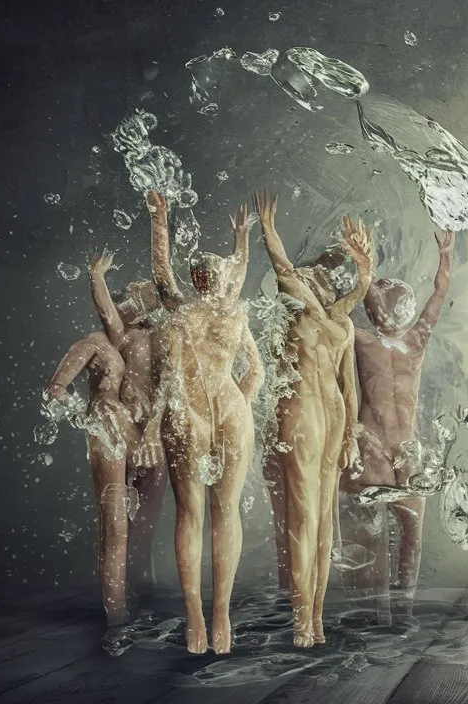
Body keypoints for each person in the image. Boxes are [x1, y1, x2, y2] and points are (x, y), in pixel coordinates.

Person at [143, 189, 264, 654]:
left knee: (208, 513)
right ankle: (204, 615)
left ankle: (212, 615)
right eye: (205, 270)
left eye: (210, 269)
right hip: (209, 411)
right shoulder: (212, 310)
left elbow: (255, 370)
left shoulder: (214, 311)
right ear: (201, 278)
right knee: (204, 513)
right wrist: (162, 216)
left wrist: (163, 218)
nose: (208, 274)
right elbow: (161, 272)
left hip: (209, 411)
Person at [253, 189, 375, 648]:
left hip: (333, 417)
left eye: (320, 275)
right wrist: (268, 231)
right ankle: (302, 619)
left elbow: (350, 384)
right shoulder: (299, 308)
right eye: (309, 275)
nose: (314, 277)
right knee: (303, 519)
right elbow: (284, 269)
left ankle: (317, 618)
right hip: (300, 412)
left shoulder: (339, 319)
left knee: (325, 522)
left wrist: (353, 437)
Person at [339, 229, 454, 625]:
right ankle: (403, 614)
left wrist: (362, 264)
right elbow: (439, 295)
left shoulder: (363, 341)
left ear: (373, 313)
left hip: (371, 449)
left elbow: (349, 304)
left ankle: (380, 615)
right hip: (408, 453)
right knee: (411, 541)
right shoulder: (416, 341)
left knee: (373, 545)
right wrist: (445, 253)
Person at [45, 256, 133, 627]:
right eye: (124, 301)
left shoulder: (122, 344)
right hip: (106, 431)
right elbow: (55, 389)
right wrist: (91, 417)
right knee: (113, 522)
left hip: (124, 430)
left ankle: (128, 603)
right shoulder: (94, 343)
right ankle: (116, 614)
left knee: (127, 520)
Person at [87, 251, 169, 594]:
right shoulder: (124, 335)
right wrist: (97, 277)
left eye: (144, 287)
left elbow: (171, 382)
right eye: (137, 288)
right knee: (119, 519)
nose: (140, 287)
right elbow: (107, 310)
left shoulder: (164, 334)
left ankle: (141, 583)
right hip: (126, 428)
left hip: (154, 432)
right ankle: (118, 598)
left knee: (146, 519)